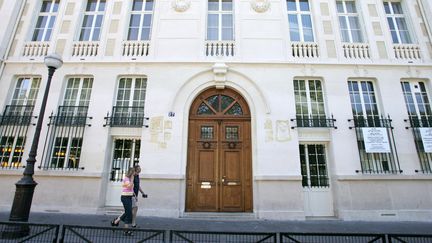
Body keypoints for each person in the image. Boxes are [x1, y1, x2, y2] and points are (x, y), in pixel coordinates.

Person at [111, 167, 135, 236]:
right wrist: (132, 180)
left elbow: (131, 189)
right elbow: (129, 187)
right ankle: (126, 231)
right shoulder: (126, 179)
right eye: (134, 173)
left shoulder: (130, 179)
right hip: (125, 197)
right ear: (131, 172)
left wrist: (134, 194)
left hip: (129, 197)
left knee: (128, 212)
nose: (134, 174)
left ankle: (115, 222)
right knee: (128, 213)